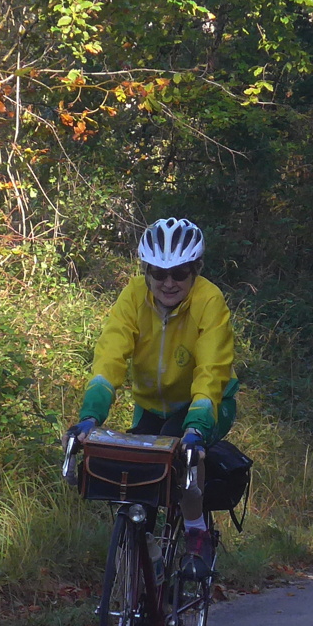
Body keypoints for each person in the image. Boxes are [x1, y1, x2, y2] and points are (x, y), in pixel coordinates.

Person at [72, 218, 237, 584]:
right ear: (145, 271)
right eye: (158, 273)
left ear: (195, 270)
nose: (168, 283)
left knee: (185, 458)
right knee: (135, 483)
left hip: (206, 403)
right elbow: (110, 357)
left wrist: (197, 427)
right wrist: (90, 416)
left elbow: (211, 371)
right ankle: (148, 557)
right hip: (150, 403)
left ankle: (196, 534)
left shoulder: (209, 301)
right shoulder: (132, 296)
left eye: (179, 273)